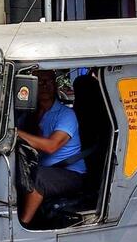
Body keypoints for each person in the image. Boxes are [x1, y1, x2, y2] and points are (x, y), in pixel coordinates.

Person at [15, 70, 85, 226]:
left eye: (49, 81)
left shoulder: (66, 115)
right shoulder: (29, 114)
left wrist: (16, 133)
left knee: (37, 177)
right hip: (40, 166)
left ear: (55, 85)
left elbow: (51, 146)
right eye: (39, 82)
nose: (44, 85)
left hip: (70, 172)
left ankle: (23, 225)